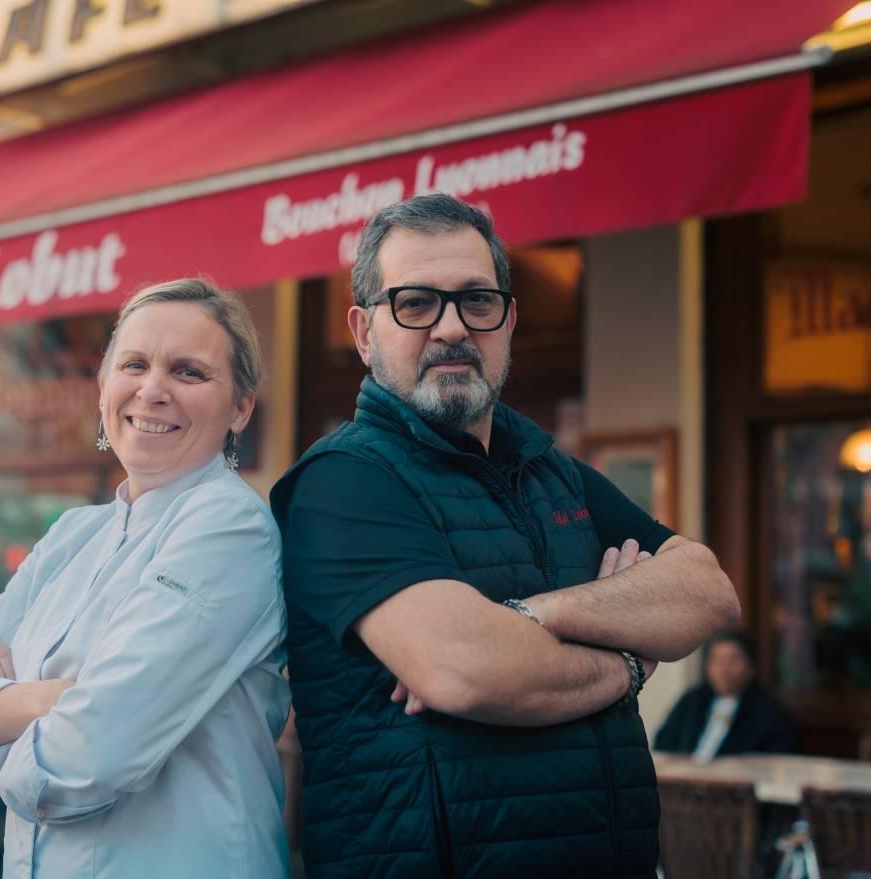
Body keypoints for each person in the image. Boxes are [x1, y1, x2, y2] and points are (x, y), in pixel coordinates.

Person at [270, 194, 740, 879]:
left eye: (477, 301)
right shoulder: (344, 482)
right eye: (416, 303)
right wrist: (634, 657)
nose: (453, 328)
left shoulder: (556, 473)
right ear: (364, 331)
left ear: (509, 320)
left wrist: (537, 615)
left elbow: (708, 591)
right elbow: (464, 670)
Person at [0, 279, 291, 878]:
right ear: (104, 387)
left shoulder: (230, 528)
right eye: (133, 364)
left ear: (241, 407)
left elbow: (86, 758)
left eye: (189, 372)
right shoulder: (73, 534)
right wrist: (52, 699)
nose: (153, 390)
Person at [654, 631, 797, 758]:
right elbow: (662, 744)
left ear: (752, 667)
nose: (724, 669)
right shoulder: (692, 700)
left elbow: (775, 761)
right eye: (717, 660)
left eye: (733, 660)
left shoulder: (769, 712)